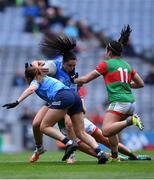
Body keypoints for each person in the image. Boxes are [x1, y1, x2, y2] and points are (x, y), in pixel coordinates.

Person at [3, 71, 108, 163]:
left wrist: (17, 101)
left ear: (28, 78)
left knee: (44, 127)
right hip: (74, 96)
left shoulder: (35, 81)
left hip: (62, 97)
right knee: (81, 133)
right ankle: (100, 153)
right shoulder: (47, 77)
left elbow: (31, 89)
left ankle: (69, 143)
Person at [74, 25, 145, 161]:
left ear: (108, 51)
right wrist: (126, 84)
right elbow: (141, 84)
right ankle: (115, 156)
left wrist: (71, 80)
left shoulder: (106, 64)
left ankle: (131, 121)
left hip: (119, 102)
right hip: (131, 102)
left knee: (106, 131)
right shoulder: (127, 65)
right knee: (112, 131)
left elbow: (86, 79)